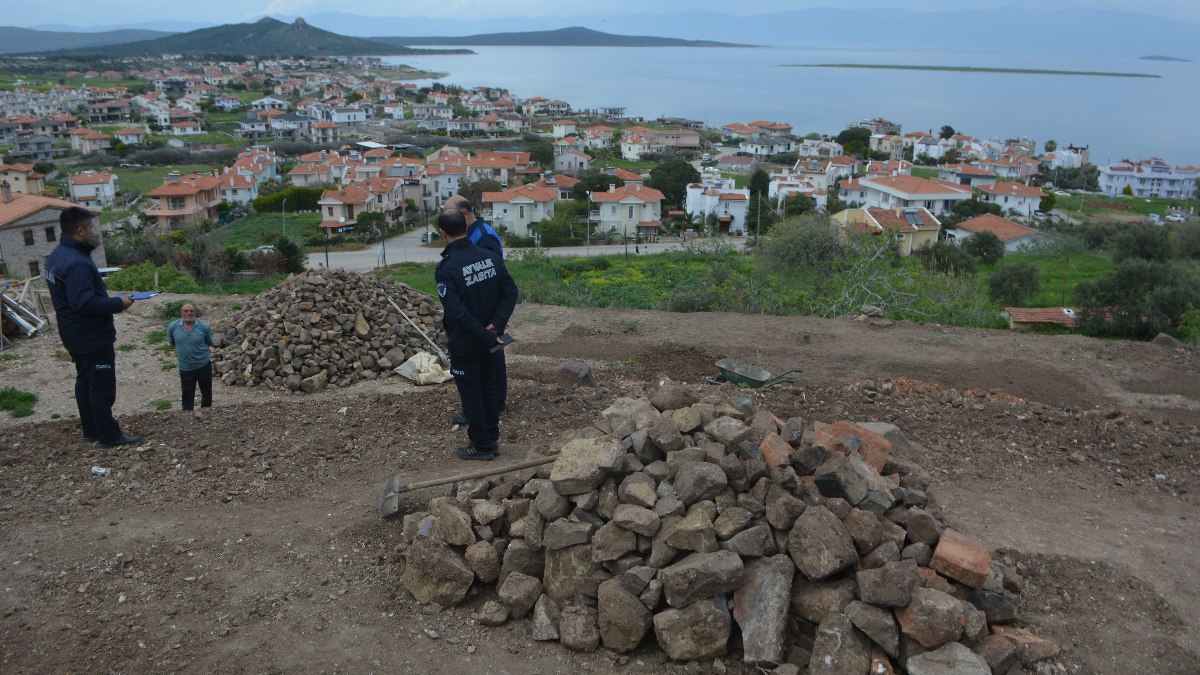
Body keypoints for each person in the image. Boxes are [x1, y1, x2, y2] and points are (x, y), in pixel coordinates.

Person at [43, 206, 142, 448]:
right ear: (80, 230)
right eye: (90, 228)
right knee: (101, 385)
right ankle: (109, 436)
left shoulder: (56, 256)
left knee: (85, 381)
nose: (93, 233)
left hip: (73, 333)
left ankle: (91, 430)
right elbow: (84, 303)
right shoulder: (77, 262)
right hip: (91, 336)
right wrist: (118, 303)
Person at [435, 208, 518, 461]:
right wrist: (496, 325)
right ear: (466, 227)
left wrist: (484, 335)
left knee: (472, 394)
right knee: (489, 390)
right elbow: (510, 292)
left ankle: (481, 446)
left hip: (468, 343)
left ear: (443, 233)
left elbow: (457, 312)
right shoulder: (489, 257)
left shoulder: (446, 268)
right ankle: (491, 441)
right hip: (491, 341)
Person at [443, 195, 510, 425]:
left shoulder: (482, 236)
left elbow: (490, 276)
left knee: (492, 355)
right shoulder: (472, 234)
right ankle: (484, 407)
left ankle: (493, 404)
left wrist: (495, 321)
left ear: (462, 215)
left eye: (447, 212)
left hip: (486, 313)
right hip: (479, 313)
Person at [166, 303, 214, 418]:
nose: (188, 313)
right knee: (187, 393)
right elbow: (172, 342)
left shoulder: (204, 327)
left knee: (206, 391)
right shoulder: (173, 327)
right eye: (186, 311)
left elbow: (210, 342)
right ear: (181, 313)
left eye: (191, 311)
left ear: (195, 313)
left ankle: (206, 413)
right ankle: (187, 416)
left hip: (203, 364)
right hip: (185, 367)